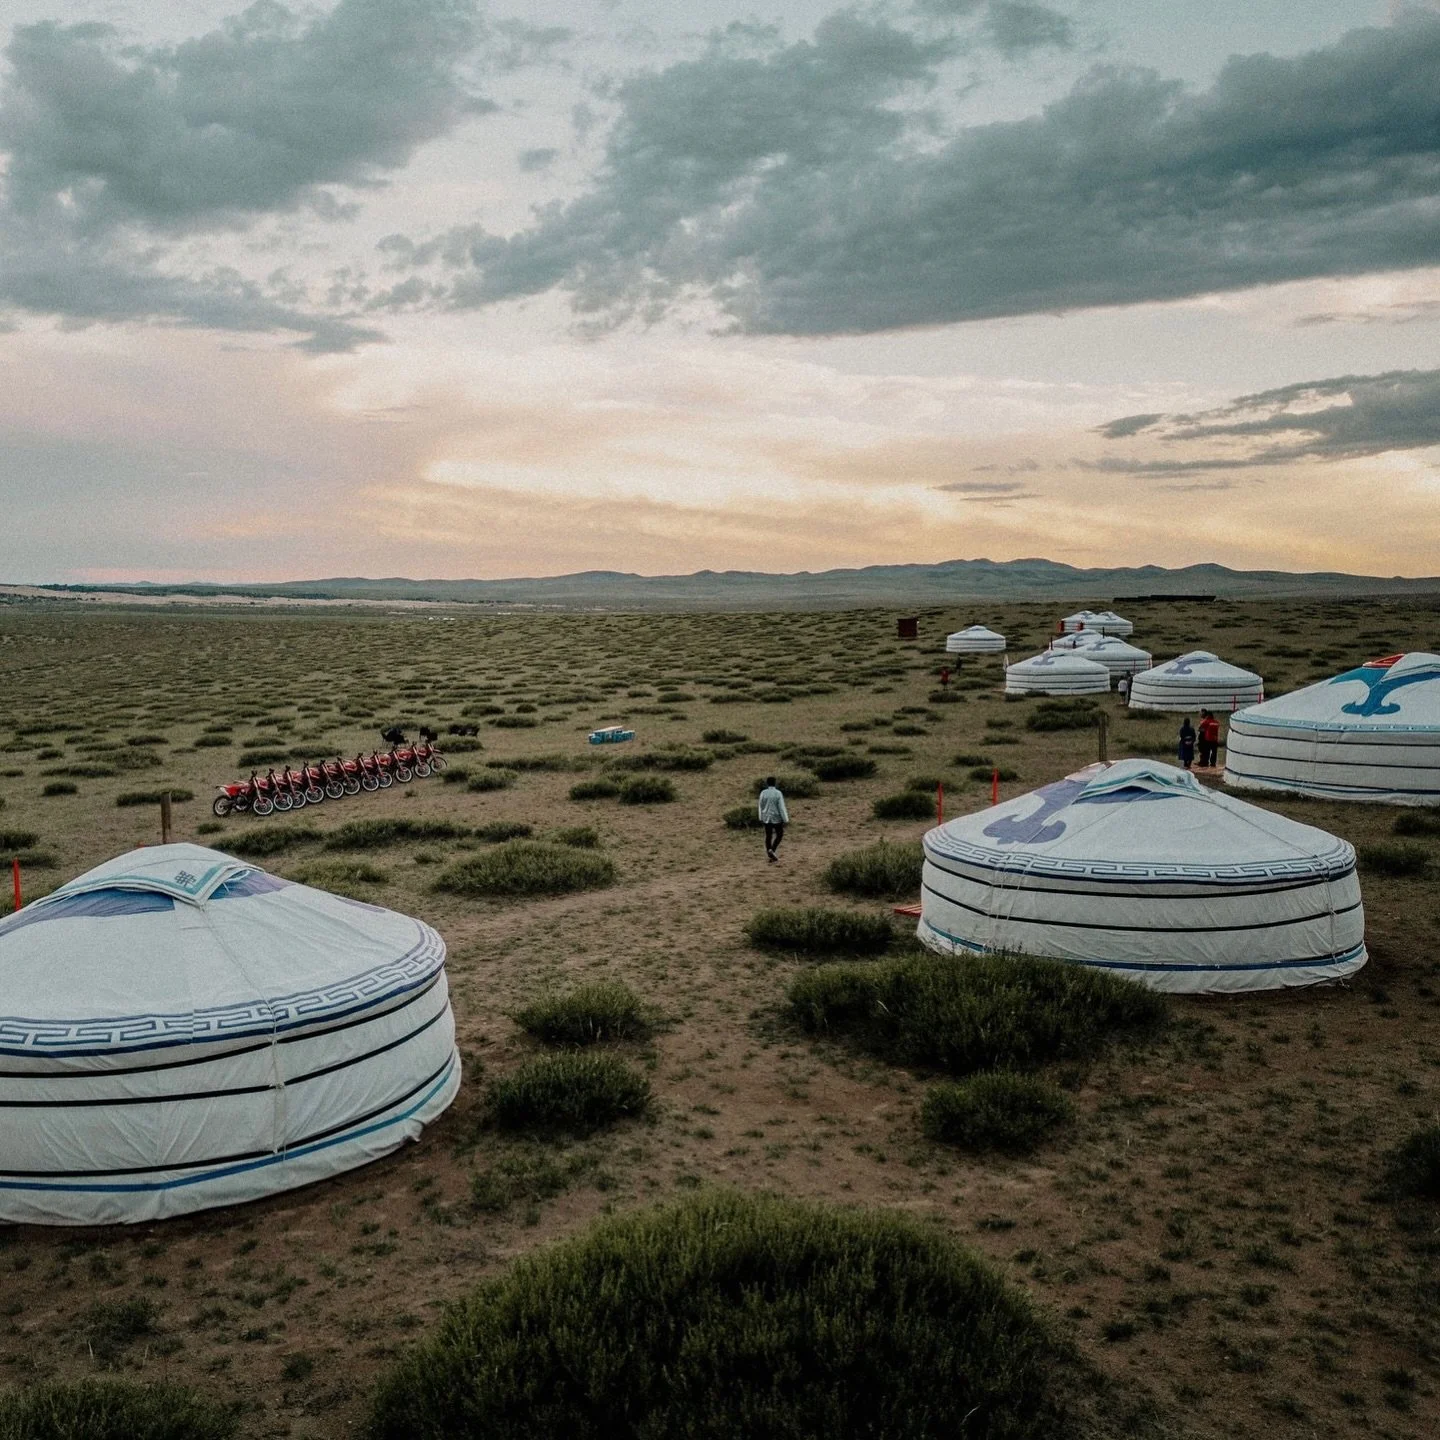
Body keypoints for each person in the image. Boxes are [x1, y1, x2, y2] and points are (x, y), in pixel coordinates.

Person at [757, 776, 789, 863]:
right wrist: (785, 819)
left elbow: (760, 805)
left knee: (768, 836)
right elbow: (781, 807)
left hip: (766, 818)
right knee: (779, 834)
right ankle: (772, 850)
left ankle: (769, 852)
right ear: (775, 783)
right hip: (777, 818)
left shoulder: (763, 793)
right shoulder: (778, 793)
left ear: (767, 783)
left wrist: (760, 817)